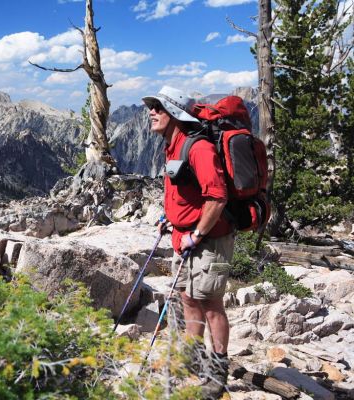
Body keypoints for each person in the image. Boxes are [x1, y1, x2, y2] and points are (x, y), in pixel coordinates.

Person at [142, 86, 235, 399]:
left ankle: (217, 374)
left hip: (209, 239)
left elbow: (218, 196)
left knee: (211, 305)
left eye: (158, 107)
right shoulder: (172, 145)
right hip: (185, 237)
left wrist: (197, 233)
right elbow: (185, 193)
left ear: (174, 114)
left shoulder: (198, 147)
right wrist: (172, 218)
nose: (151, 112)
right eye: (151, 107)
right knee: (187, 298)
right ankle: (191, 362)